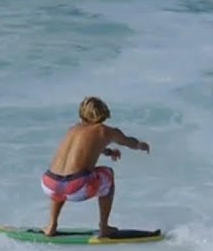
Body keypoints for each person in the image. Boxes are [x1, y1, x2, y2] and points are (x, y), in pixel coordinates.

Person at [41, 96, 150, 237]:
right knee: (108, 173)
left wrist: (109, 152)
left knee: (62, 178)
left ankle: (51, 225)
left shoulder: (73, 129)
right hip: (77, 187)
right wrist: (141, 145)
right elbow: (130, 142)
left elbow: (87, 147)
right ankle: (104, 227)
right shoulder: (105, 131)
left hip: (50, 184)